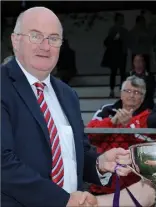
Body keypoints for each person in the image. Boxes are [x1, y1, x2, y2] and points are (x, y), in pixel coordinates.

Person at [1, 7, 132, 207]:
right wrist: (63, 200)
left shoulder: (67, 94)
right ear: (15, 40)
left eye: (53, 38)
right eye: (35, 36)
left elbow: (77, 152)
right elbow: (3, 163)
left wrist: (99, 163)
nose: (45, 46)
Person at [87, 75, 156, 195]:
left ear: (143, 97)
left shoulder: (150, 116)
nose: (132, 95)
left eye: (137, 92)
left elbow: (151, 144)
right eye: (128, 91)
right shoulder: (106, 110)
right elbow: (90, 136)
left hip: (135, 187)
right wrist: (112, 122)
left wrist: (129, 126)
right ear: (121, 94)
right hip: (103, 184)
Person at [101, 13, 128, 98]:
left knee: (123, 73)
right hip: (114, 54)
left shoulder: (124, 30)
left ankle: (122, 91)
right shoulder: (112, 30)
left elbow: (126, 43)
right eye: (120, 19)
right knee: (113, 72)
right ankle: (112, 90)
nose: (122, 21)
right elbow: (108, 41)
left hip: (122, 54)